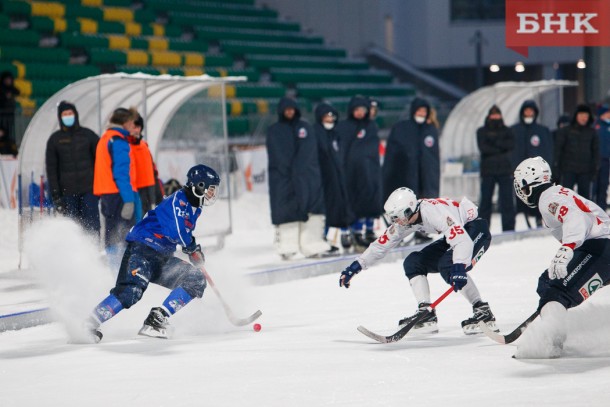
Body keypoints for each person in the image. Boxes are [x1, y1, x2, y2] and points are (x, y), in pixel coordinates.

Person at [85, 164, 220, 342]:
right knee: (130, 292)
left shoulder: (195, 207)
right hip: (142, 251)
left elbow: (183, 234)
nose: (213, 194)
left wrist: (193, 249)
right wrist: (192, 248)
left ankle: (156, 320)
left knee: (195, 279)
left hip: (161, 257)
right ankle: (90, 324)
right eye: (210, 190)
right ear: (199, 186)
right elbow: (176, 231)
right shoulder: (178, 200)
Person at [339, 187, 498, 335]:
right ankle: (425, 311)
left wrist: (459, 266)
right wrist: (357, 265)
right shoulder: (407, 220)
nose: (396, 222)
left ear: (408, 211)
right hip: (457, 234)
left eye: (398, 217)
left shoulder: (433, 212)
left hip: (475, 230)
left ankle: (482, 310)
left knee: (448, 266)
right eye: (393, 218)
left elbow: (462, 241)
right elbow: (381, 245)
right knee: (413, 262)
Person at [512, 156, 610, 358]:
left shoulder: (548, 198)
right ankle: (552, 321)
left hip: (600, 250)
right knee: (547, 281)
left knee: (556, 292)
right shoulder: (555, 192)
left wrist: (567, 248)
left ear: (527, 185)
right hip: (600, 248)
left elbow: (577, 218)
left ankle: (550, 342)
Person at [266, 97, 330, 259]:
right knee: (287, 210)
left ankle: (312, 245)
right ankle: (287, 247)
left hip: (307, 178)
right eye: (286, 109)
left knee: (312, 211)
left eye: (292, 109)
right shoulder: (275, 130)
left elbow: (312, 154)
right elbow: (276, 155)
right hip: (284, 179)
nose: (289, 112)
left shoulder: (306, 127)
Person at [383, 97, 440, 243]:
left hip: (426, 176)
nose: (421, 113)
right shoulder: (403, 128)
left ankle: (421, 231)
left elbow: (434, 156)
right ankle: (397, 234)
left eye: (424, 111)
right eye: (419, 110)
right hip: (407, 175)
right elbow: (394, 153)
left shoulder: (431, 129)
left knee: (423, 205)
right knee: (404, 207)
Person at [45, 101, 100, 234]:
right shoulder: (55, 139)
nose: (68, 116)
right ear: (60, 117)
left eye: (70, 113)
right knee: (72, 228)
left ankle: (93, 252)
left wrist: (100, 186)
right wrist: (56, 195)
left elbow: (101, 161)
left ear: (75, 115)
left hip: (89, 190)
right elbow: (51, 170)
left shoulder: (88, 135)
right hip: (67, 193)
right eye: (65, 114)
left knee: (92, 225)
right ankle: (73, 253)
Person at [337, 95, 383, 249]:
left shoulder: (371, 127)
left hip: (368, 171)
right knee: (348, 202)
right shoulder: (343, 127)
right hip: (348, 171)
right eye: (357, 109)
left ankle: (361, 232)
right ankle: (346, 233)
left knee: (366, 201)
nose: (360, 112)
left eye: (363, 109)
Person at [93, 107, 139, 261]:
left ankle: (114, 268)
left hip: (106, 194)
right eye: (132, 123)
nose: (133, 127)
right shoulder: (119, 142)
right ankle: (124, 270)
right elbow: (121, 173)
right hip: (119, 194)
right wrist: (128, 200)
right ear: (125, 123)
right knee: (126, 235)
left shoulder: (105, 138)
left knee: (111, 234)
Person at [313, 102, 354, 251]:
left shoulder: (336, 134)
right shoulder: (316, 133)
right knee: (326, 210)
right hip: (323, 178)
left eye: (332, 116)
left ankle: (343, 234)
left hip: (337, 177)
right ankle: (322, 237)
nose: (330, 119)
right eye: (326, 116)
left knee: (340, 206)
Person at [511, 100, 553, 227]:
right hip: (520, 173)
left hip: (537, 174)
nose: (529, 113)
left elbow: (548, 150)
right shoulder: (514, 130)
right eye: (526, 110)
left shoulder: (542, 130)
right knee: (521, 197)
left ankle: (539, 219)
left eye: (531, 110)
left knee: (538, 196)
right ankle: (522, 221)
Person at [476, 105, 516, 232]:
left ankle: (509, 229)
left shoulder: (508, 130)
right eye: (493, 115)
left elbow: (510, 145)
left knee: (507, 201)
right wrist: (500, 146)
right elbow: (483, 148)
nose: (495, 117)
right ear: (488, 116)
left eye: (497, 115)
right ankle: (483, 230)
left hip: (505, 170)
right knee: (485, 202)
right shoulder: (481, 131)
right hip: (488, 171)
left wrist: (493, 142)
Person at [553, 104, 598, 201]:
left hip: (585, 171)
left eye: (586, 116)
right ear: (576, 116)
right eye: (581, 115)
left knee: (585, 200)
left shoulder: (592, 132)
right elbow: (558, 151)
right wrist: (556, 168)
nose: (584, 118)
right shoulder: (565, 131)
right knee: (566, 197)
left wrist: (595, 169)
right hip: (568, 170)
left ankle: (584, 216)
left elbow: (596, 152)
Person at [128, 114, 163, 217]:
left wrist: (158, 193)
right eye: (134, 127)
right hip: (135, 190)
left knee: (146, 218)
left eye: (138, 127)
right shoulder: (126, 147)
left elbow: (153, 170)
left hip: (148, 189)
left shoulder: (144, 146)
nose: (136, 130)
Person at [594, 104, 610, 211]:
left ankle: (602, 207)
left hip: (606, 160)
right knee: (595, 185)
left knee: (604, 184)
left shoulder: (608, 127)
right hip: (595, 161)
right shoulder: (595, 127)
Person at [0, 71, 20, 142]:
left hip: (10, 114)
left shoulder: (12, 89)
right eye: (7, 79)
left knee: (8, 132)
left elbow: (18, 91)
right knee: (4, 130)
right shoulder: (2, 90)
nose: (8, 81)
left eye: (9, 79)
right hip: (2, 115)